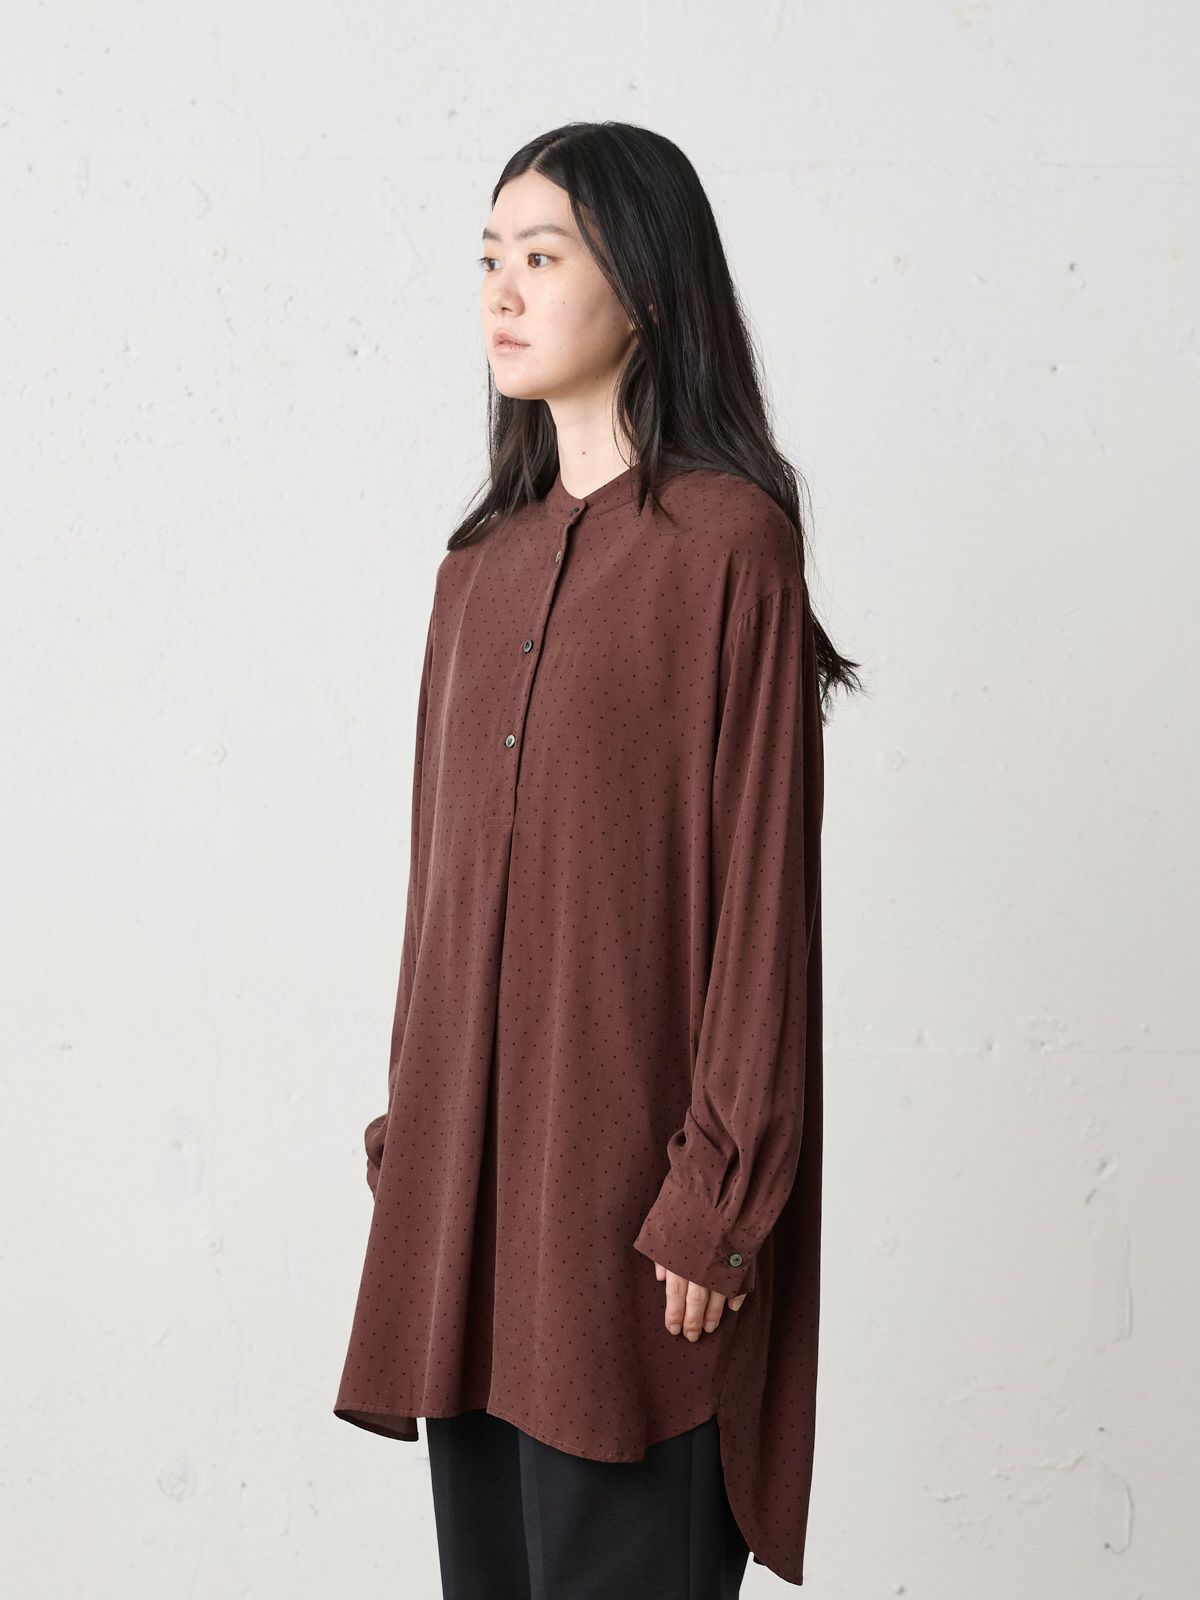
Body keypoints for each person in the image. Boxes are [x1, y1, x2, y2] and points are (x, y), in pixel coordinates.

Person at [333, 120, 863, 1598]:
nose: (501, 291)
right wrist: (412, 1143)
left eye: (543, 255)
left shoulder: (730, 548)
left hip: (639, 1228)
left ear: (644, 284)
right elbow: (438, 900)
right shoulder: (476, 570)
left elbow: (763, 905)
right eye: (487, 258)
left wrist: (717, 1197)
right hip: (470, 1221)